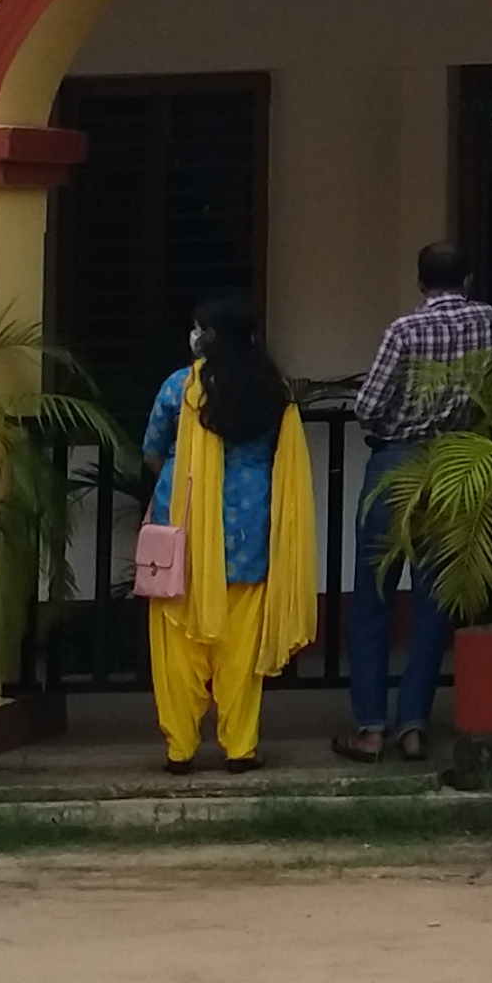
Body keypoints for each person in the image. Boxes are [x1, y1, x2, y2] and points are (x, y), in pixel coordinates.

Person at [335, 242, 492, 763]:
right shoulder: (487, 321)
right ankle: (413, 724)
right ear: (468, 279)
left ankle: (368, 727)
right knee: (433, 600)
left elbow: (367, 406)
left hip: (396, 464)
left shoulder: (404, 330)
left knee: (373, 597)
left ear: (420, 282)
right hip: (453, 465)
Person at [143, 293, 314, 774]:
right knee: (241, 648)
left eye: (199, 328)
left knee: (178, 642)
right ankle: (240, 747)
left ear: (211, 337)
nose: (193, 336)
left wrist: (184, 474)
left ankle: (180, 749)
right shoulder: (273, 391)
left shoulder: (181, 388)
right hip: (250, 531)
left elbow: (153, 450)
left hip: (185, 527)